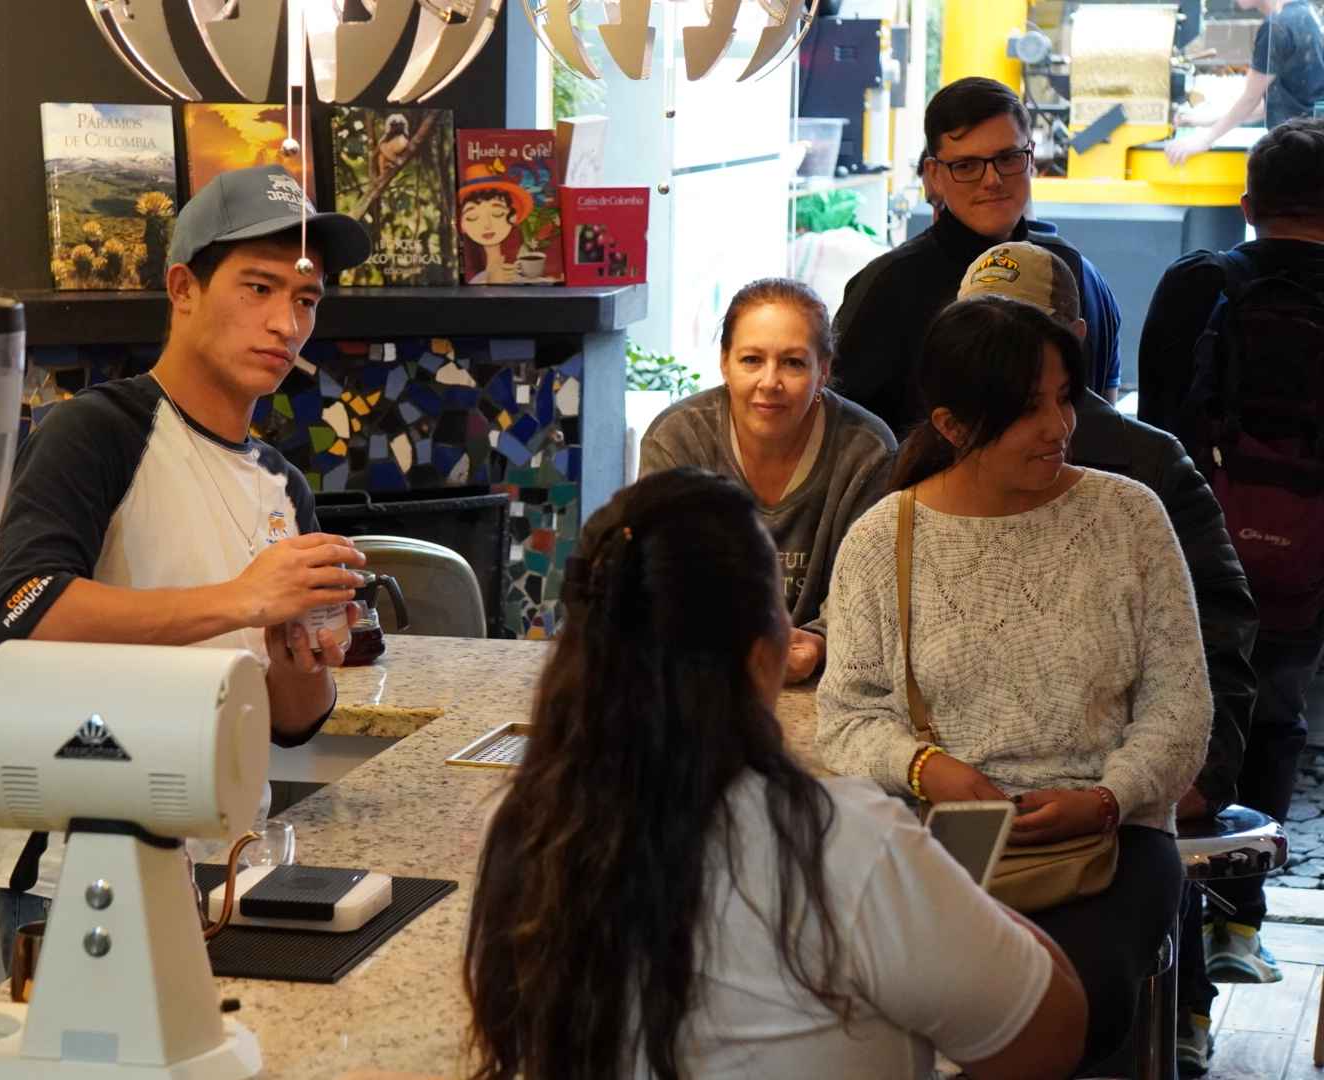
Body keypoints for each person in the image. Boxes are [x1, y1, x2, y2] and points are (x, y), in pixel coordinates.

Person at [464, 467, 1087, 1079]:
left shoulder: (524, 825)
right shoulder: (843, 842)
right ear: (762, 656)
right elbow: (1047, 1040)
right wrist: (949, 896)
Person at [0, 165, 373, 966]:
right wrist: (241, 599)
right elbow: (27, 606)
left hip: (227, 868)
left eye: (304, 300)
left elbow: (296, 722)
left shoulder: (281, 483)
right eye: (258, 288)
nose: (285, 323)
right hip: (79, 868)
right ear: (183, 289)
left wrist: (300, 653)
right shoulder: (94, 431)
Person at [816, 296, 1213, 1070]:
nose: (1060, 426)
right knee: (867, 1003)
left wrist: (1106, 796)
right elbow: (846, 716)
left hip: (1114, 836)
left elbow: (1181, 704)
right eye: (1028, 408)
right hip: (942, 842)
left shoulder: (1129, 516)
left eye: (1064, 397)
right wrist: (932, 770)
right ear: (954, 424)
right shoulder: (883, 537)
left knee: (1070, 1008)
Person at [957, 242, 1259, 1075]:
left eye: (1033, 332)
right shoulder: (929, 469)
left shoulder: (1144, 469)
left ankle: (1184, 1013)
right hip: (965, 816)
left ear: (1076, 339)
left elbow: (1220, 624)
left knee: (1088, 995)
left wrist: (1197, 770)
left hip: (1119, 803)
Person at [1139, 117, 1324, 997]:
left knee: (1179, 727)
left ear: (1248, 202)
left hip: (1194, 552)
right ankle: (1241, 927)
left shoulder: (1197, 282)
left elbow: (1157, 421)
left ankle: (1176, 971)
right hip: (1310, 567)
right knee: (1278, 714)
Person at [638, 279, 895, 683]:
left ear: (823, 370)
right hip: (700, 676)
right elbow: (657, 577)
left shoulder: (866, 450)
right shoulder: (677, 438)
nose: (770, 382)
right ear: (724, 363)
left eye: (793, 362)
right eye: (752, 360)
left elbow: (872, 590)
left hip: (828, 681)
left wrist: (820, 641)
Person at [834, 77, 1123, 435]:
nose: (992, 180)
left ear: (1030, 159)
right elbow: (845, 434)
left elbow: (1107, 425)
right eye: (967, 166)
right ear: (934, 176)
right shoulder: (887, 287)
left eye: (1007, 157)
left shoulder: (1078, 275)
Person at [1165, 0, 1324, 164]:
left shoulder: (1276, 27)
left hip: (1297, 153)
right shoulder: (1305, 12)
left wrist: (1203, 140)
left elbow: (1250, 99)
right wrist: (1205, 119)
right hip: (1312, 145)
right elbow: (1273, 104)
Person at [458, 165, 530, 284]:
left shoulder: (520, 264)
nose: (487, 225)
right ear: (462, 225)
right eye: (472, 217)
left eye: (497, 214)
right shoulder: (472, 277)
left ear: (513, 217)